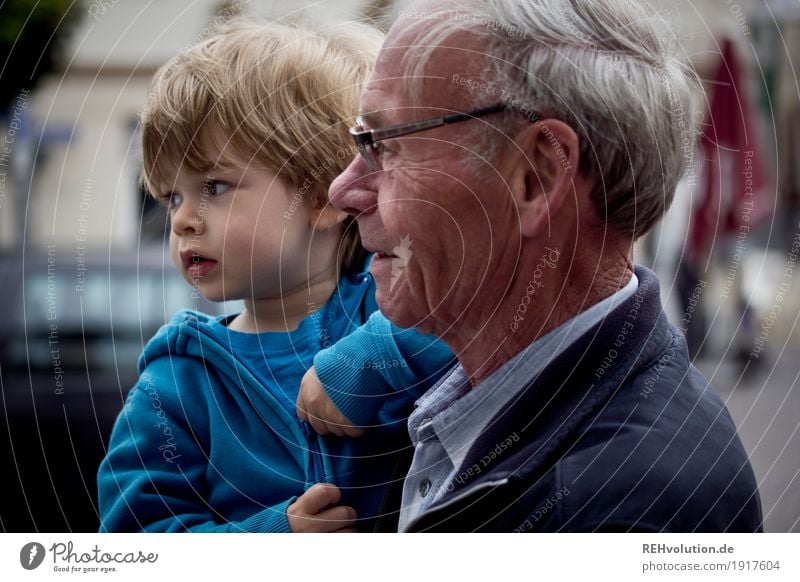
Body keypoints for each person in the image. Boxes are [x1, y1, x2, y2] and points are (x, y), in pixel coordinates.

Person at [302, 0, 763, 531]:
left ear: (536, 177)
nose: (344, 190)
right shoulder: (470, 385)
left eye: (384, 146)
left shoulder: (628, 505)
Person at [97, 20, 454, 533]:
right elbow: (132, 538)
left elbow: (482, 316)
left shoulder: (390, 309)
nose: (182, 219)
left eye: (214, 186)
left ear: (322, 196)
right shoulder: (178, 380)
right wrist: (273, 538)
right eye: (172, 195)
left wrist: (372, 362)